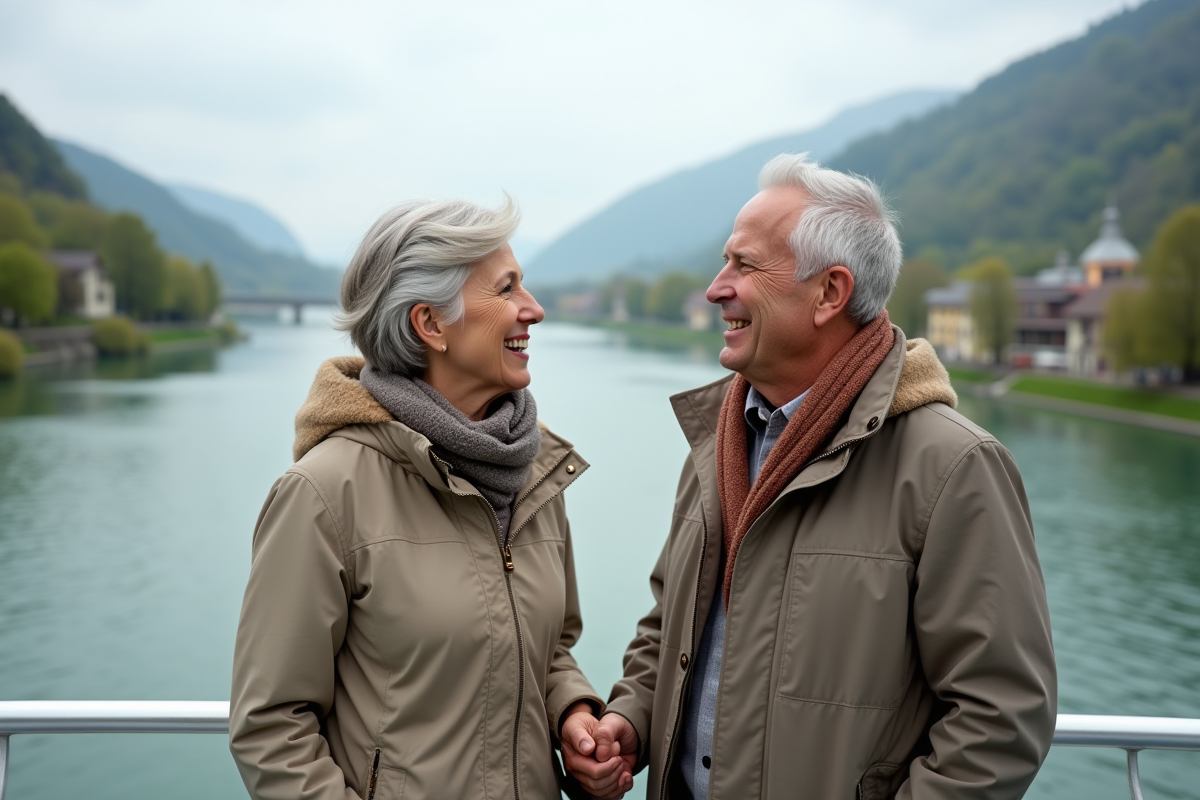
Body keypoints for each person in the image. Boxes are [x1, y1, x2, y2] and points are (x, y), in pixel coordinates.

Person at [561, 154, 1057, 800]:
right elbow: (670, 628)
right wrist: (631, 718)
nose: (716, 288)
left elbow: (1001, 716)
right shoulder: (716, 447)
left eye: (744, 265)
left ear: (830, 292)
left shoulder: (952, 466)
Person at [229, 198, 603, 800]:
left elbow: (549, 648)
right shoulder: (324, 493)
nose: (532, 310)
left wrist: (572, 715)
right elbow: (271, 726)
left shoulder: (532, 472)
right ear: (430, 325)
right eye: (507, 289)